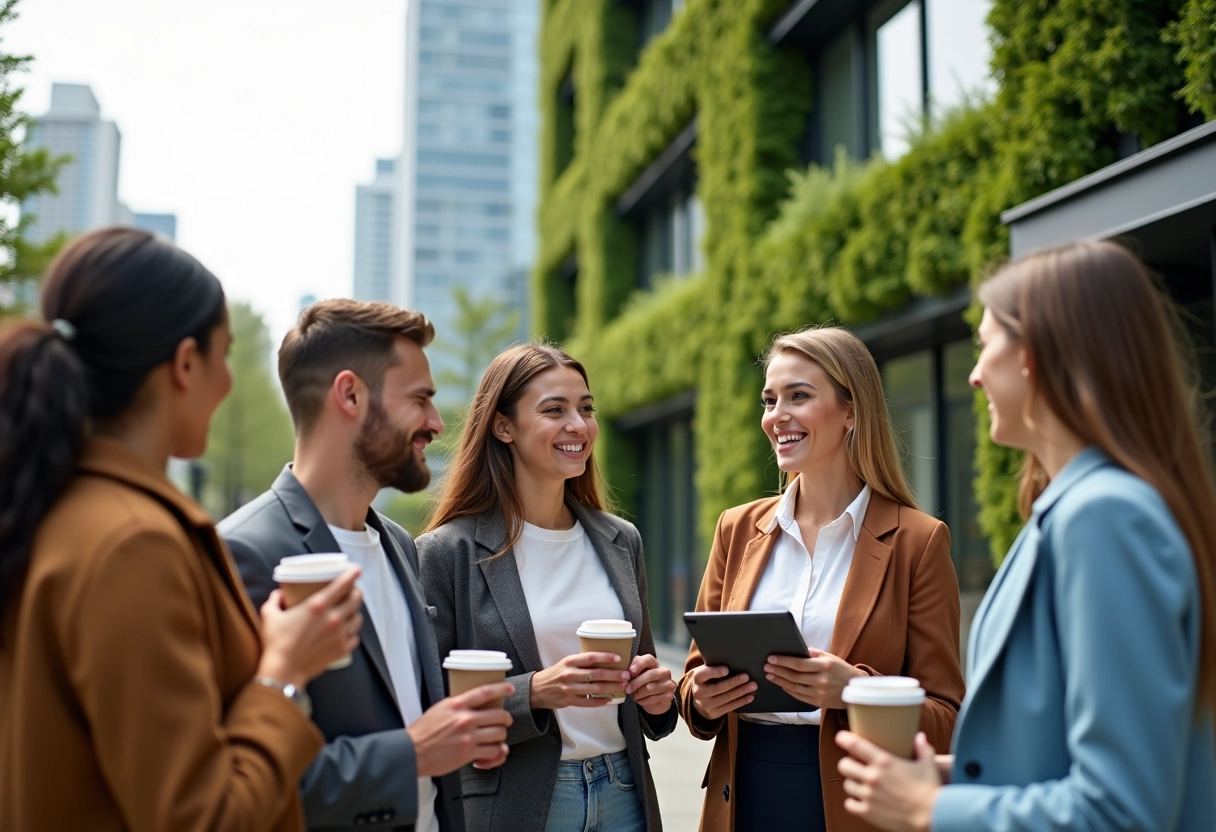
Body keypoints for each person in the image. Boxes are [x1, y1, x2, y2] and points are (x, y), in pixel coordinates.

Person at [836, 240, 1216, 831]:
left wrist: (933, 809)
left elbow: (1123, 811)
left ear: (1034, 355)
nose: (974, 375)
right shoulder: (1078, 510)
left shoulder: (1106, 517)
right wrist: (954, 779)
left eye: (985, 345)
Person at [0, 227, 363, 831]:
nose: (228, 381)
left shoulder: (46, 507)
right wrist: (283, 674)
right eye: (224, 355)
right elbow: (204, 818)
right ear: (186, 363)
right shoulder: (133, 546)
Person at [219, 299, 514, 832]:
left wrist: (453, 744)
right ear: (350, 394)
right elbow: (238, 785)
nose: (435, 423)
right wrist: (413, 754)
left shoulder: (399, 543)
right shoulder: (242, 553)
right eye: (419, 399)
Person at [676, 326, 966, 832]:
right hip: (742, 800)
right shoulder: (736, 528)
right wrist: (701, 699)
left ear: (851, 411)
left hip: (857, 806)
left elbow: (947, 719)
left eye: (799, 396)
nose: (776, 416)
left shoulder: (918, 542)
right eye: (770, 400)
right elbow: (693, 680)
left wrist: (856, 690)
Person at [417, 343, 678, 832]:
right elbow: (429, 706)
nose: (578, 425)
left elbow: (644, 683)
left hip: (623, 792)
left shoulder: (621, 540)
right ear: (504, 427)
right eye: (554, 410)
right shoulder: (446, 553)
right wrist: (534, 692)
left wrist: (659, 697)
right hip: (517, 802)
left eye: (586, 409)